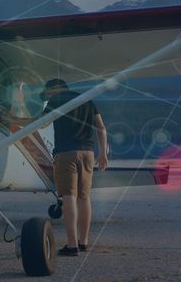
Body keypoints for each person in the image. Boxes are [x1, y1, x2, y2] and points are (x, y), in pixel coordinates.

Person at [40, 78, 108, 256]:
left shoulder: (56, 100)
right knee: (84, 198)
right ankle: (83, 242)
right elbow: (101, 128)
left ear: (56, 88)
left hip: (65, 153)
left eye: (48, 92)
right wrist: (103, 154)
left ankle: (71, 245)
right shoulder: (87, 99)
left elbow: (43, 122)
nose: (47, 96)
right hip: (88, 153)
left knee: (68, 197)